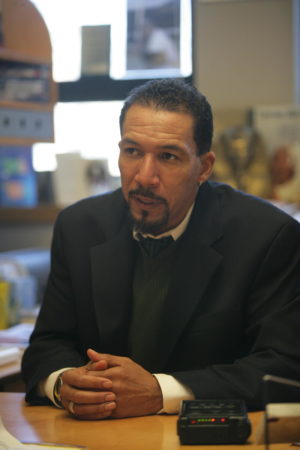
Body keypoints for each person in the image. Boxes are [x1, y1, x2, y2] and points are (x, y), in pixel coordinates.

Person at [22, 79, 300, 420]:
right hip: (93, 435)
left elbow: (283, 368)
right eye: (132, 151)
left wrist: (160, 392)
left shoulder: (267, 236)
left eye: (168, 156)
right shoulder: (80, 227)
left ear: (204, 167)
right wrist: (63, 382)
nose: (144, 176)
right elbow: (46, 346)